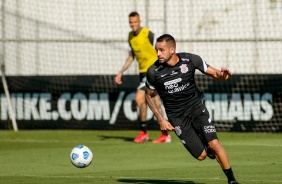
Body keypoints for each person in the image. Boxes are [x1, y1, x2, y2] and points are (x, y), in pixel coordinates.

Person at [145, 34, 239, 184]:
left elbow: (215, 73)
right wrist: (160, 119)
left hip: (196, 108)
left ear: (172, 50)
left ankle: (232, 180)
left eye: (162, 50)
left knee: (214, 143)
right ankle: (206, 148)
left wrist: (223, 76)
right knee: (201, 156)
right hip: (177, 117)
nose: (158, 54)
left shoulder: (190, 60)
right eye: (157, 50)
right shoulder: (153, 72)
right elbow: (148, 96)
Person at [115, 12, 171, 143]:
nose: (133, 24)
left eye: (135, 22)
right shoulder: (130, 37)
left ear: (140, 21)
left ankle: (151, 133)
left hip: (154, 71)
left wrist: (165, 66)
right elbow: (131, 56)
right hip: (143, 73)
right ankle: (162, 134)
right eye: (131, 22)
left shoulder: (148, 34)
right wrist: (120, 72)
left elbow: (162, 48)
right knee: (151, 102)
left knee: (142, 98)